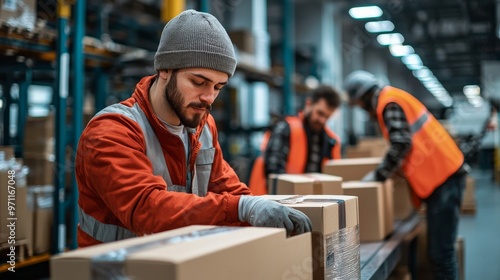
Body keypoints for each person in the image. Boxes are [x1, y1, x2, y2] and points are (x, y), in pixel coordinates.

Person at [75, 9, 311, 247]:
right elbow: (146, 209)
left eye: (218, 86)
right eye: (199, 82)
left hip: (175, 263)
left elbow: (227, 189)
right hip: (114, 270)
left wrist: (260, 210)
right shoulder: (111, 131)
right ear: (165, 69)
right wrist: (241, 209)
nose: (209, 97)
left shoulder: (203, 126)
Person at [344, 70, 467, 280]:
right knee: (439, 253)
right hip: (443, 179)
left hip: (445, 179)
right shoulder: (393, 97)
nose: (365, 112)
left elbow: (401, 143)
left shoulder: (388, 103)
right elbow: (409, 146)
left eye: (361, 106)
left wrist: (378, 176)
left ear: (364, 97)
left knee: (441, 254)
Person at [248, 85, 342, 195]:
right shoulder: (286, 128)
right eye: (320, 113)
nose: (322, 120)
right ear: (308, 104)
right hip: (277, 201)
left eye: (327, 117)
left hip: (311, 202)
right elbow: (274, 171)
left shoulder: (331, 141)